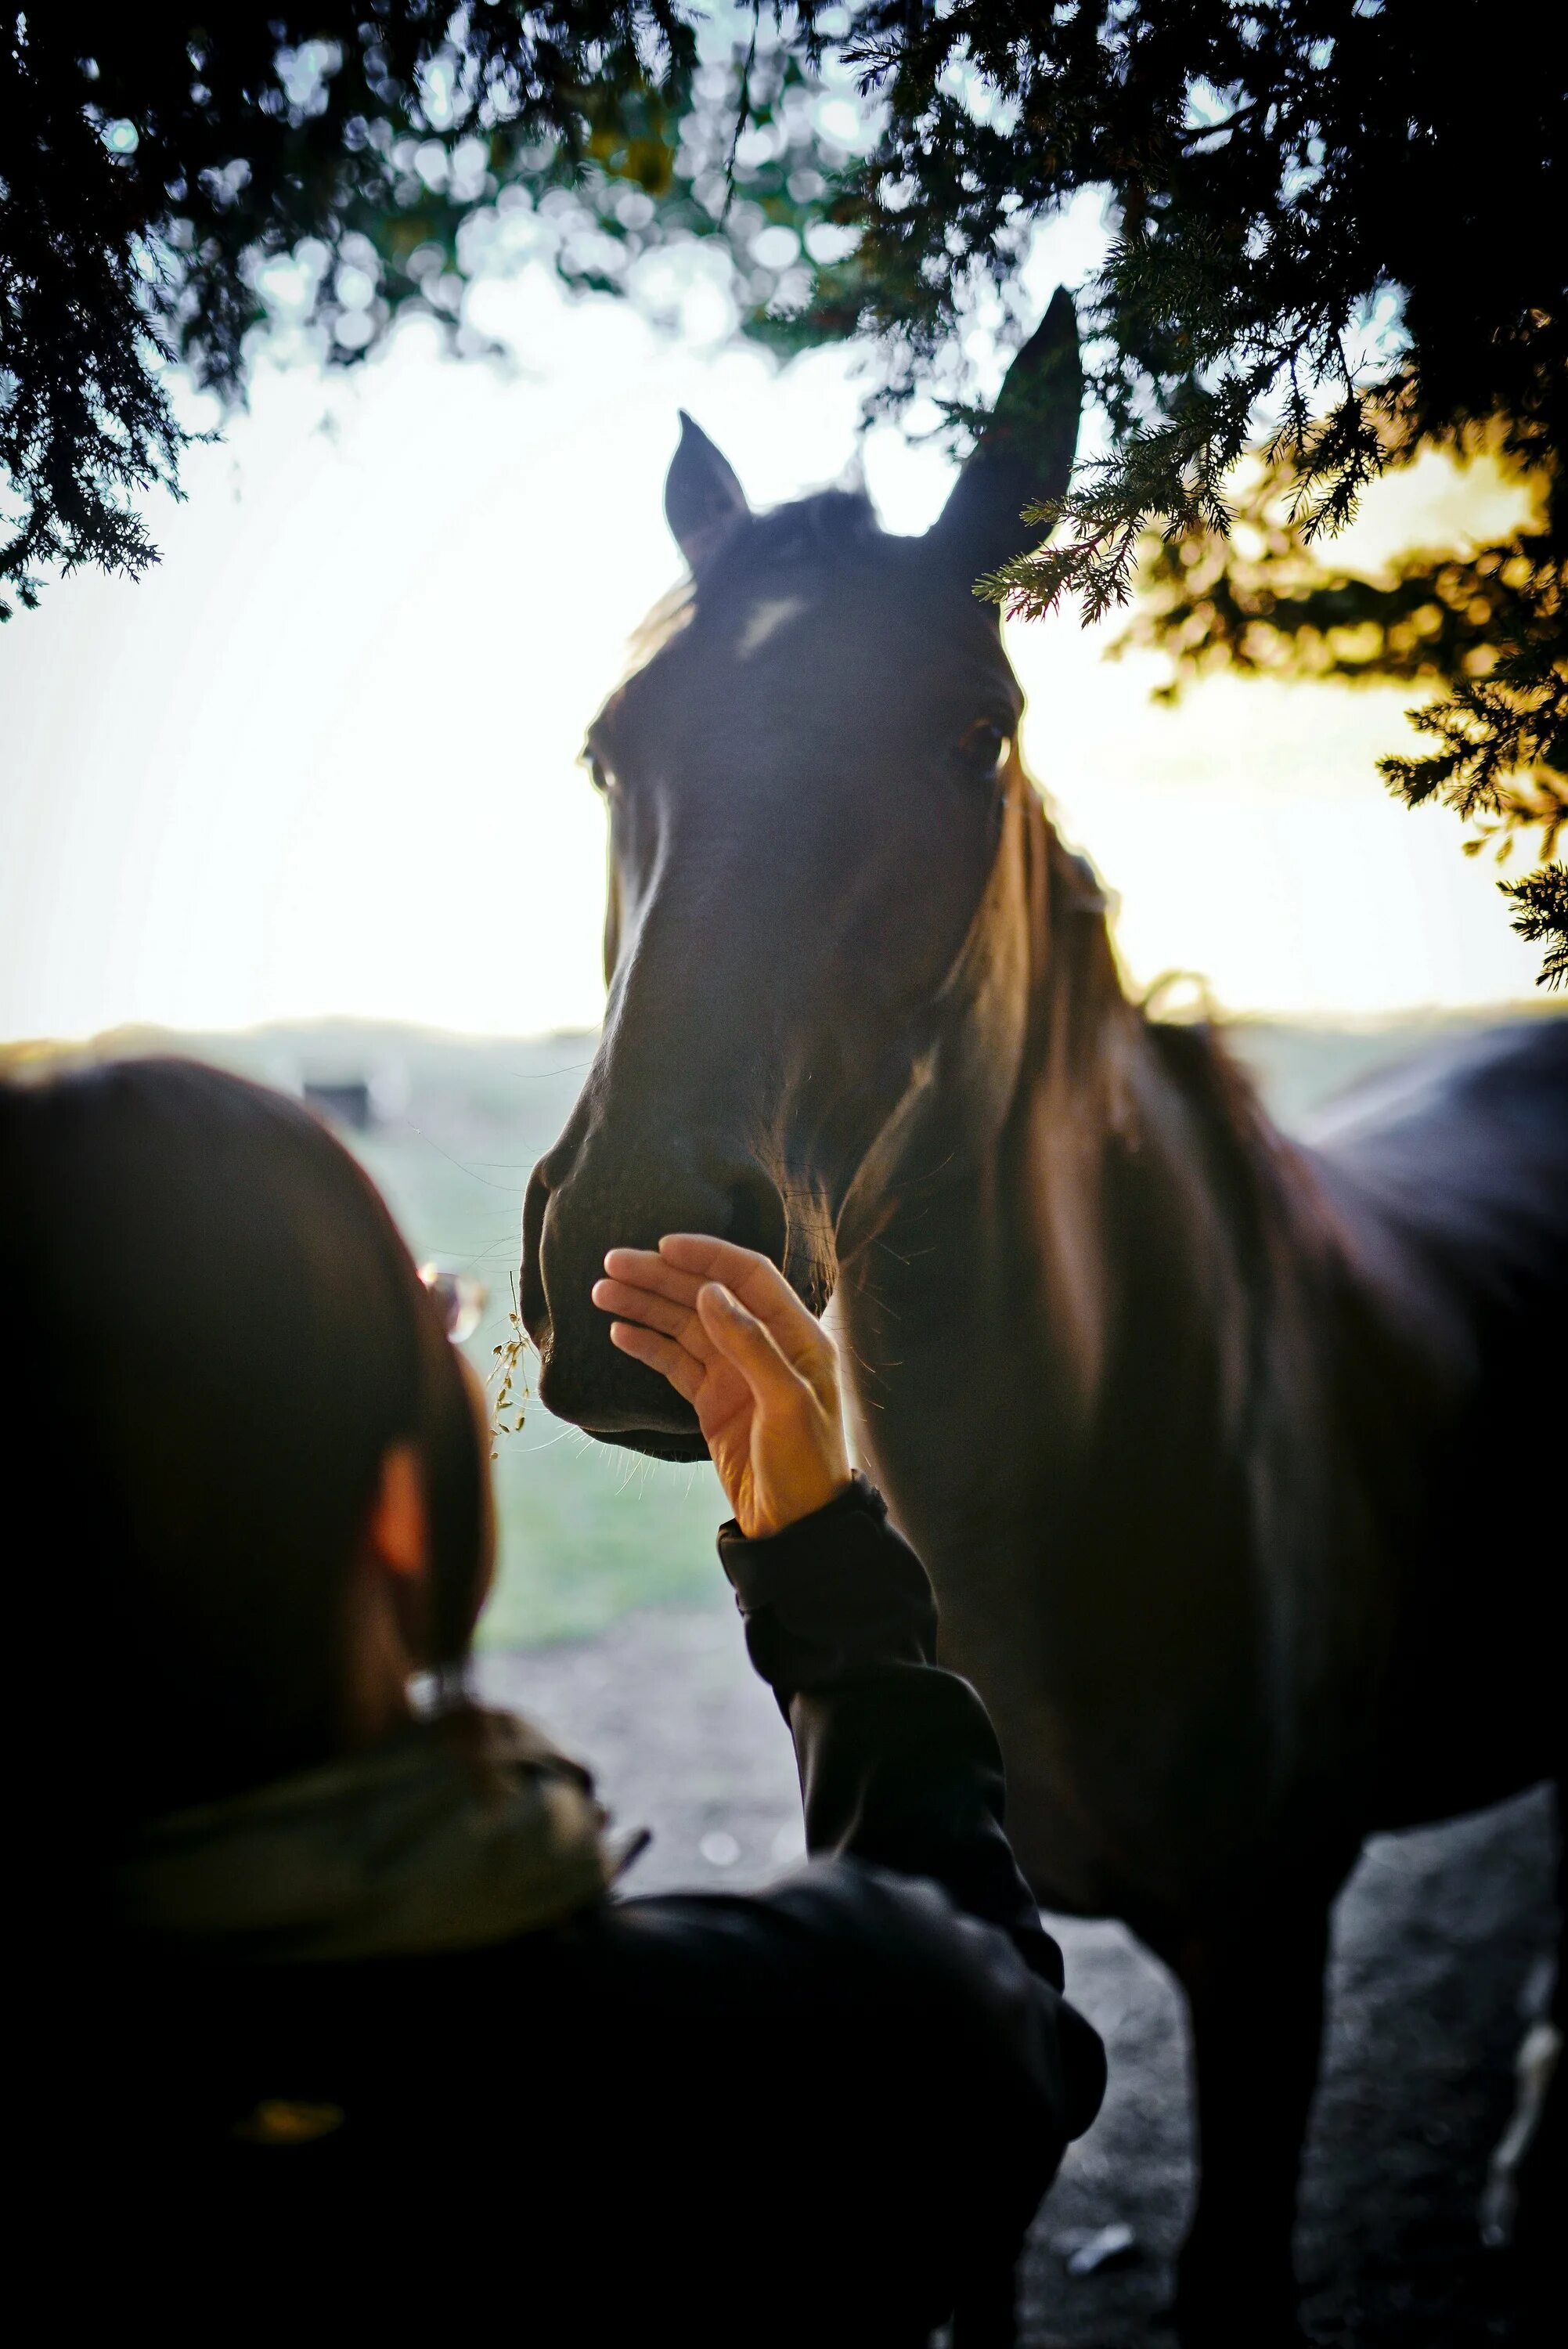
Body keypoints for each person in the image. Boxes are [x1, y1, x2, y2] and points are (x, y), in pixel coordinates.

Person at [2, 1055, 1102, 2345]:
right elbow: (1017, 2036)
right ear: (402, 1511)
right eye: (436, 1319)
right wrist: (830, 1582)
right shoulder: (796, 2046)